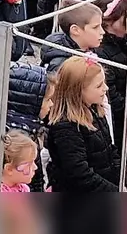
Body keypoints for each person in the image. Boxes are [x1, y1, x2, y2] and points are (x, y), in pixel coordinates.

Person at [42, 56, 121, 192]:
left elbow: (111, 149)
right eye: (99, 85)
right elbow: (79, 174)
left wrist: (121, 180)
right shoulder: (65, 127)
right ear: (78, 90)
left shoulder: (95, 110)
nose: (106, 88)